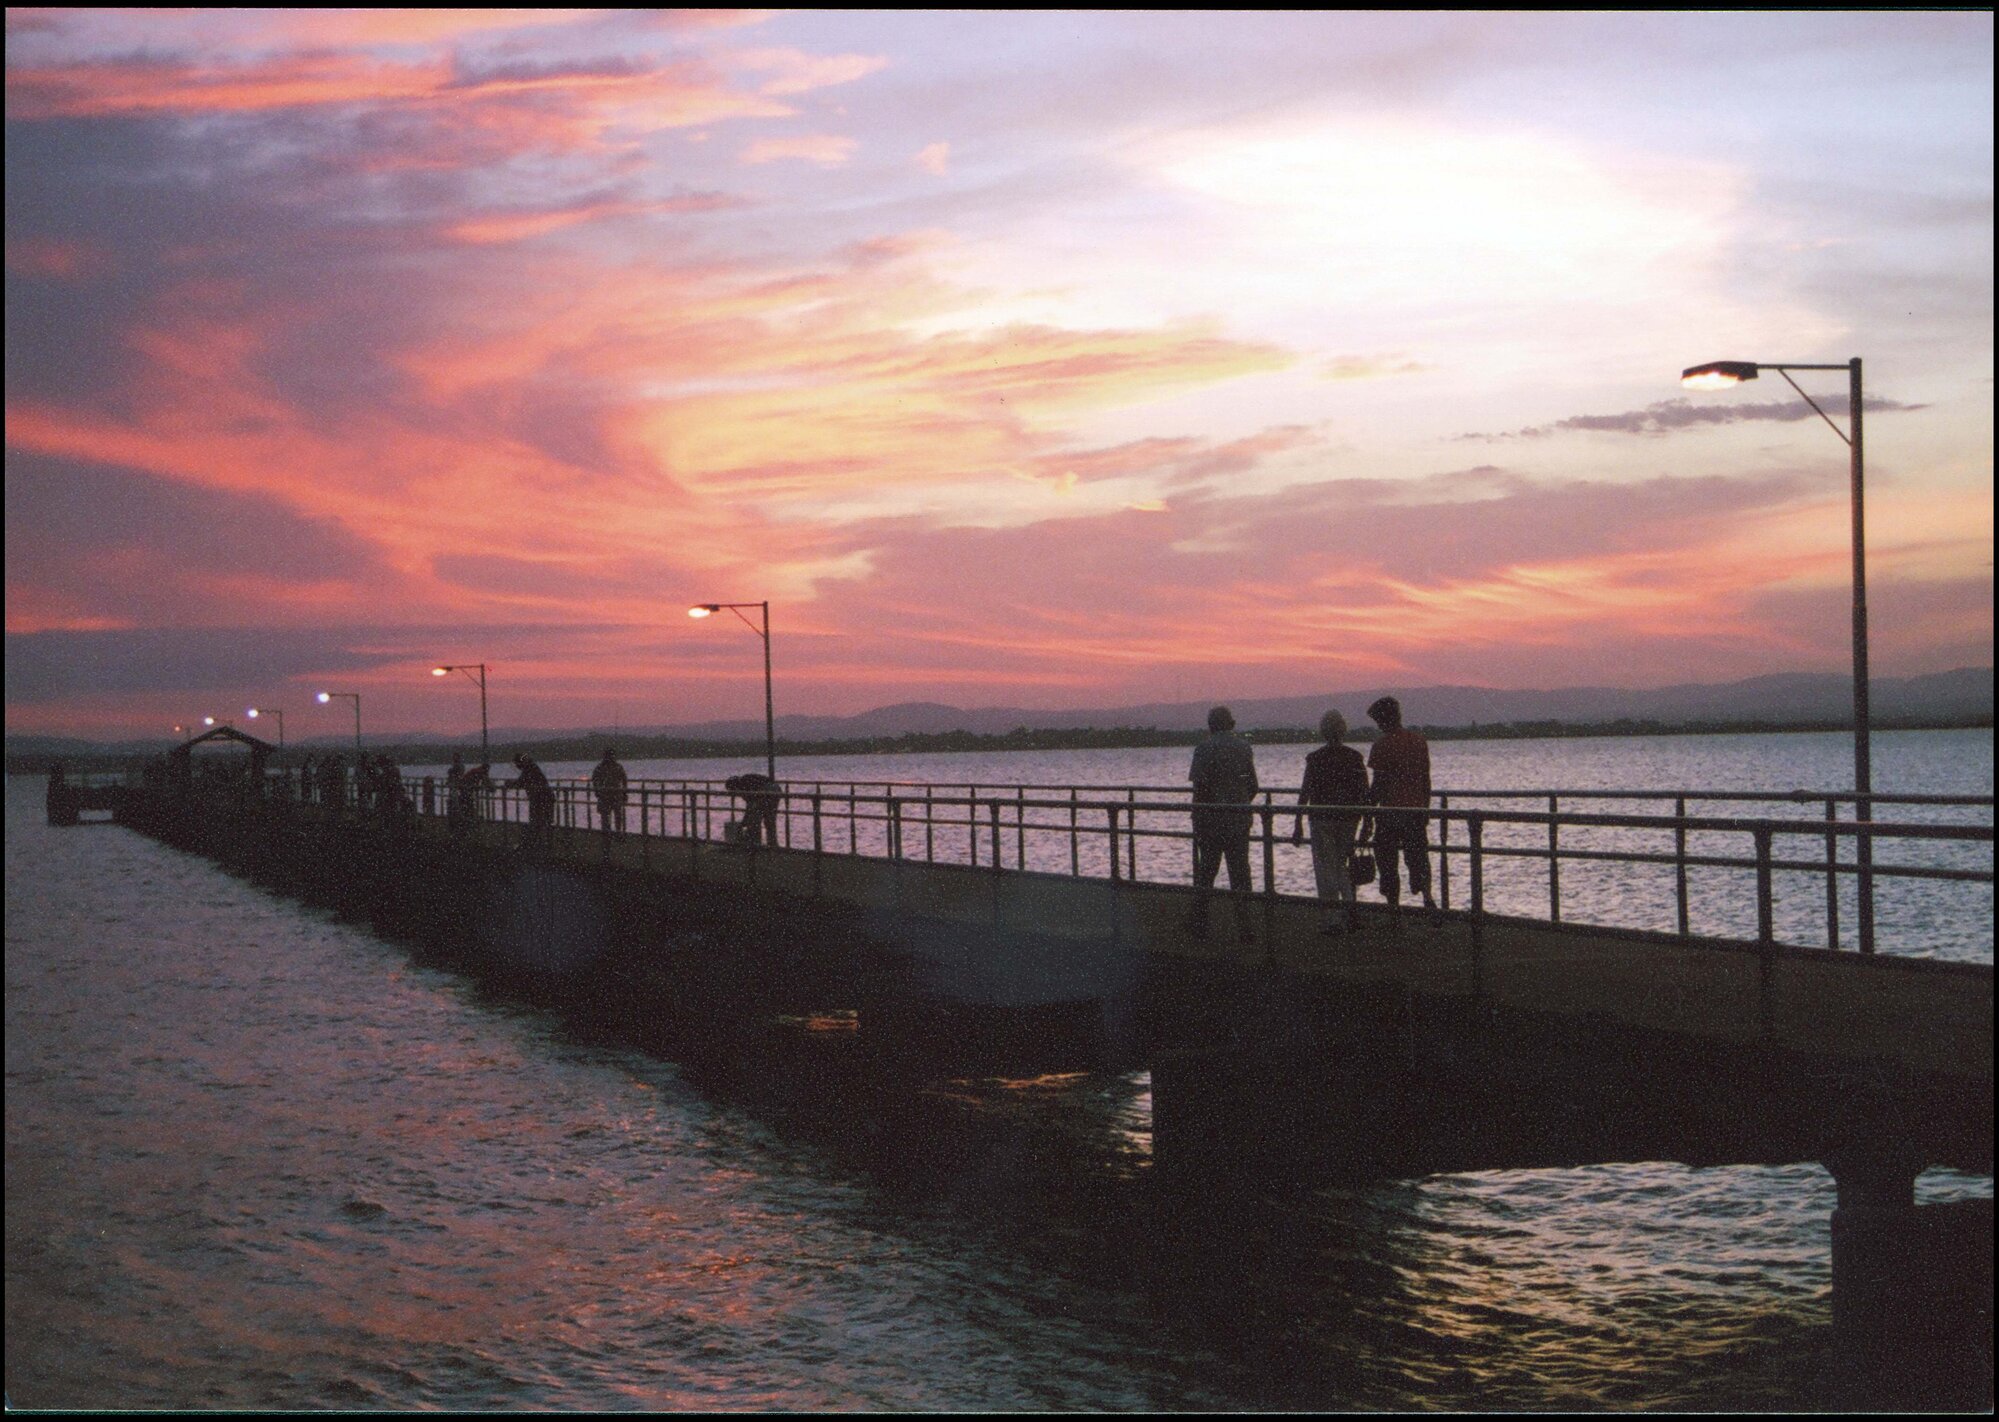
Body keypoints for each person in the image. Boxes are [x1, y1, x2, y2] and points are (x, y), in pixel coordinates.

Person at [1184, 705, 1259, 943]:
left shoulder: (1203, 749)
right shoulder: (1244, 748)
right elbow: (1252, 784)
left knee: (1207, 871)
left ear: (1210, 725)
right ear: (1231, 723)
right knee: (1240, 873)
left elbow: (1200, 787)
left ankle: (1200, 924)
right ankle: (1245, 928)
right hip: (1238, 820)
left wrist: (1198, 817)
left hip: (1210, 821)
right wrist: (1239, 801)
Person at [1292, 709, 1369, 934]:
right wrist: (1367, 822)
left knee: (1325, 867)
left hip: (1321, 818)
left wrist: (1297, 822)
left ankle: (1332, 918)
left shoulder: (1315, 759)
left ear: (1323, 732)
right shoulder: (1354, 758)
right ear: (1343, 730)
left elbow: (1305, 792)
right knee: (1342, 865)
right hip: (1348, 818)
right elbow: (1364, 793)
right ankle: (1349, 909)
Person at [1366, 695, 1438, 928]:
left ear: (1382, 720)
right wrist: (1425, 808)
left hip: (1389, 813)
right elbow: (1425, 779)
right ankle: (1428, 899)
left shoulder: (1381, 746)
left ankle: (1394, 910)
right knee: (1418, 857)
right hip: (1415, 810)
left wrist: (1367, 815)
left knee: (1387, 860)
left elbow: (1377, 785)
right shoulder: (1418, 742)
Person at [510, 753, 555, 851]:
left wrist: (509, 784)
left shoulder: (529, 769)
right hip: (542, 798)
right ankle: (542, 844)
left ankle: (540, 846)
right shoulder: (531, 767)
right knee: (542, 821)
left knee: (539, 821)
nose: (517, 767)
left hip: (541, 799)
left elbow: (521, 782)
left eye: (517, 764)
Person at [724, 772, 781, 847]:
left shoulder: (744, 786)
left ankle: (755, 843)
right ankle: (772, 844)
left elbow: (750, 806)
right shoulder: (745, 781)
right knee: (769, 819)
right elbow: (750, 805)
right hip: (776, 789)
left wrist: (744, 822)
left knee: (755, 819)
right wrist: (745, 821)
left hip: (766, 790)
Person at [591, 749, 629, 835]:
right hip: (608, 795)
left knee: (615, 816)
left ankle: (614, 833)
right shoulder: (603, 767)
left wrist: (624, 792)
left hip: (613, 795)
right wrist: (624, 792)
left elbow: (624, 780)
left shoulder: (605, 767)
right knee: (610, 816)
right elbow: (595, 780)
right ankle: (612, 834)